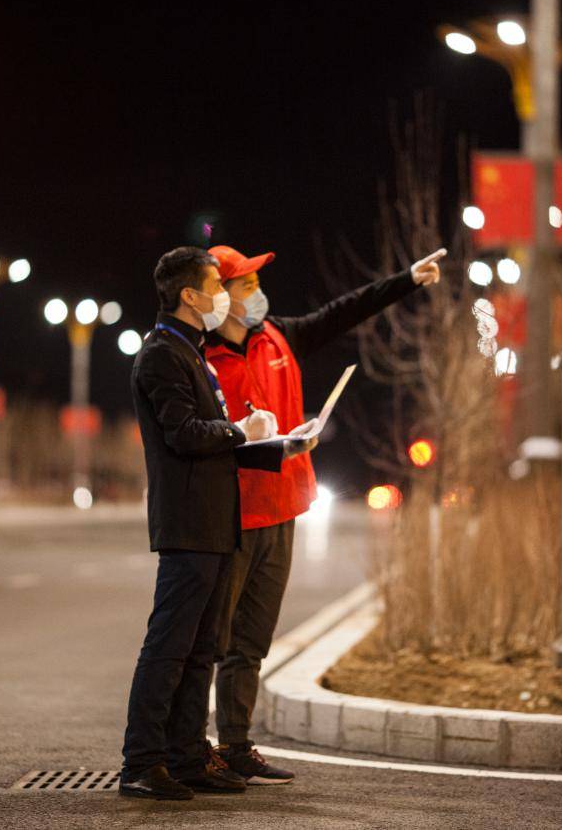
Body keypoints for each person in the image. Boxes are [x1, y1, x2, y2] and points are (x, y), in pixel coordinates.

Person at [205, 243, 446, 784]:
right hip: (232, 514)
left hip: (284, 508)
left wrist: (405, 279)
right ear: (217, 296)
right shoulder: (201, 357)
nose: (256, 294)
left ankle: (237, 744)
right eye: (244, 285)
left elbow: (346, 310)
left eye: (254, 283)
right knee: (212, 641)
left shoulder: (278, 336)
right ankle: (194, 750)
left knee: (252, 641)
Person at [119, 246, 314, 802]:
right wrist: (239, 432)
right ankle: (142, 761)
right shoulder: (161, 354)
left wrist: (277, 445)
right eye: (216, 286)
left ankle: (185, 758)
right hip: (187, 525)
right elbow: (183, 432)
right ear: (189, 294)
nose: (224, 297)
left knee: (203, 648)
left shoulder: (191, 351)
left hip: (215, 522)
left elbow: (215, 439)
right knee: (168, 648)